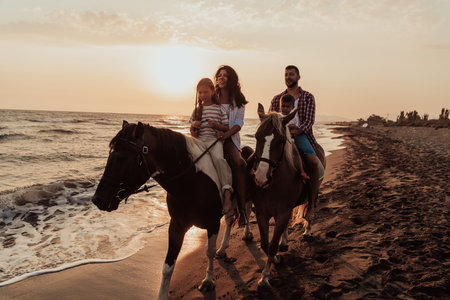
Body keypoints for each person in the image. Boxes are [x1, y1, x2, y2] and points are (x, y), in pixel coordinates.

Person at [269, 65, 322, 219]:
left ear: (298, 77)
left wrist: (297, 131)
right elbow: (270, 120)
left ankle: (311, 205)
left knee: (313, 162)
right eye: (286, 75)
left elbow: (309, 121)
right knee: (262, 159)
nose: (288, 77)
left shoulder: (308, 97)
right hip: (281, 137)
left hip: (300, 135)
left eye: (291, 74)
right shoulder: (276, 99)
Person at [190, 78, 234, 217]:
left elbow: (227, 127)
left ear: (212, 91)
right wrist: (193, 127)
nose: (202, 95)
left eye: (205, 92)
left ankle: (227, 194)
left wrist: (216, 126)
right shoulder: (197, 110)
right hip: (199, 142)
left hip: (213, 141)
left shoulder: (219, 108)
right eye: (200, 92)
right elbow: (192, 131)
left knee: (219, 160)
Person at [213, 65, 248, 226]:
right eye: (219, 75)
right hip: (212, 137)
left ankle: (242, 210)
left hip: (230, 139)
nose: (221, 78)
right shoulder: (212, 97)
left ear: (231, 79)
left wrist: (226, 135)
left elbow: (238, 123)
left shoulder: (238, 100)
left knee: (239, 163)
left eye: (225, 75)